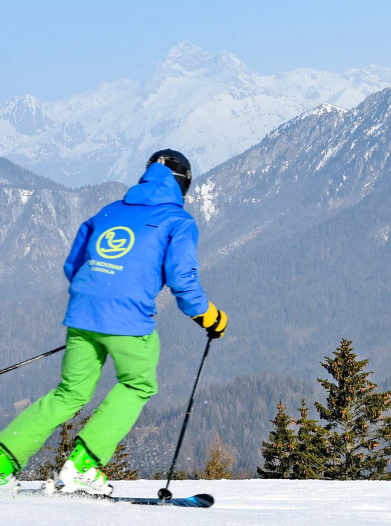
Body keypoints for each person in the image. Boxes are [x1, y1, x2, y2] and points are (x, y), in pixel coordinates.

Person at [0, 150, 227, 495]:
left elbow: (73, 265)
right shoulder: (177, 221)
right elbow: (182, 279)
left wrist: (94, 304)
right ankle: (83, 466)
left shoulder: (109, 212)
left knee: (69, 393)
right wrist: (209, 317)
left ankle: (3, 461)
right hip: (127, 319)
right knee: (138, 384)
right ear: (183, 185)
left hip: (82, 313)